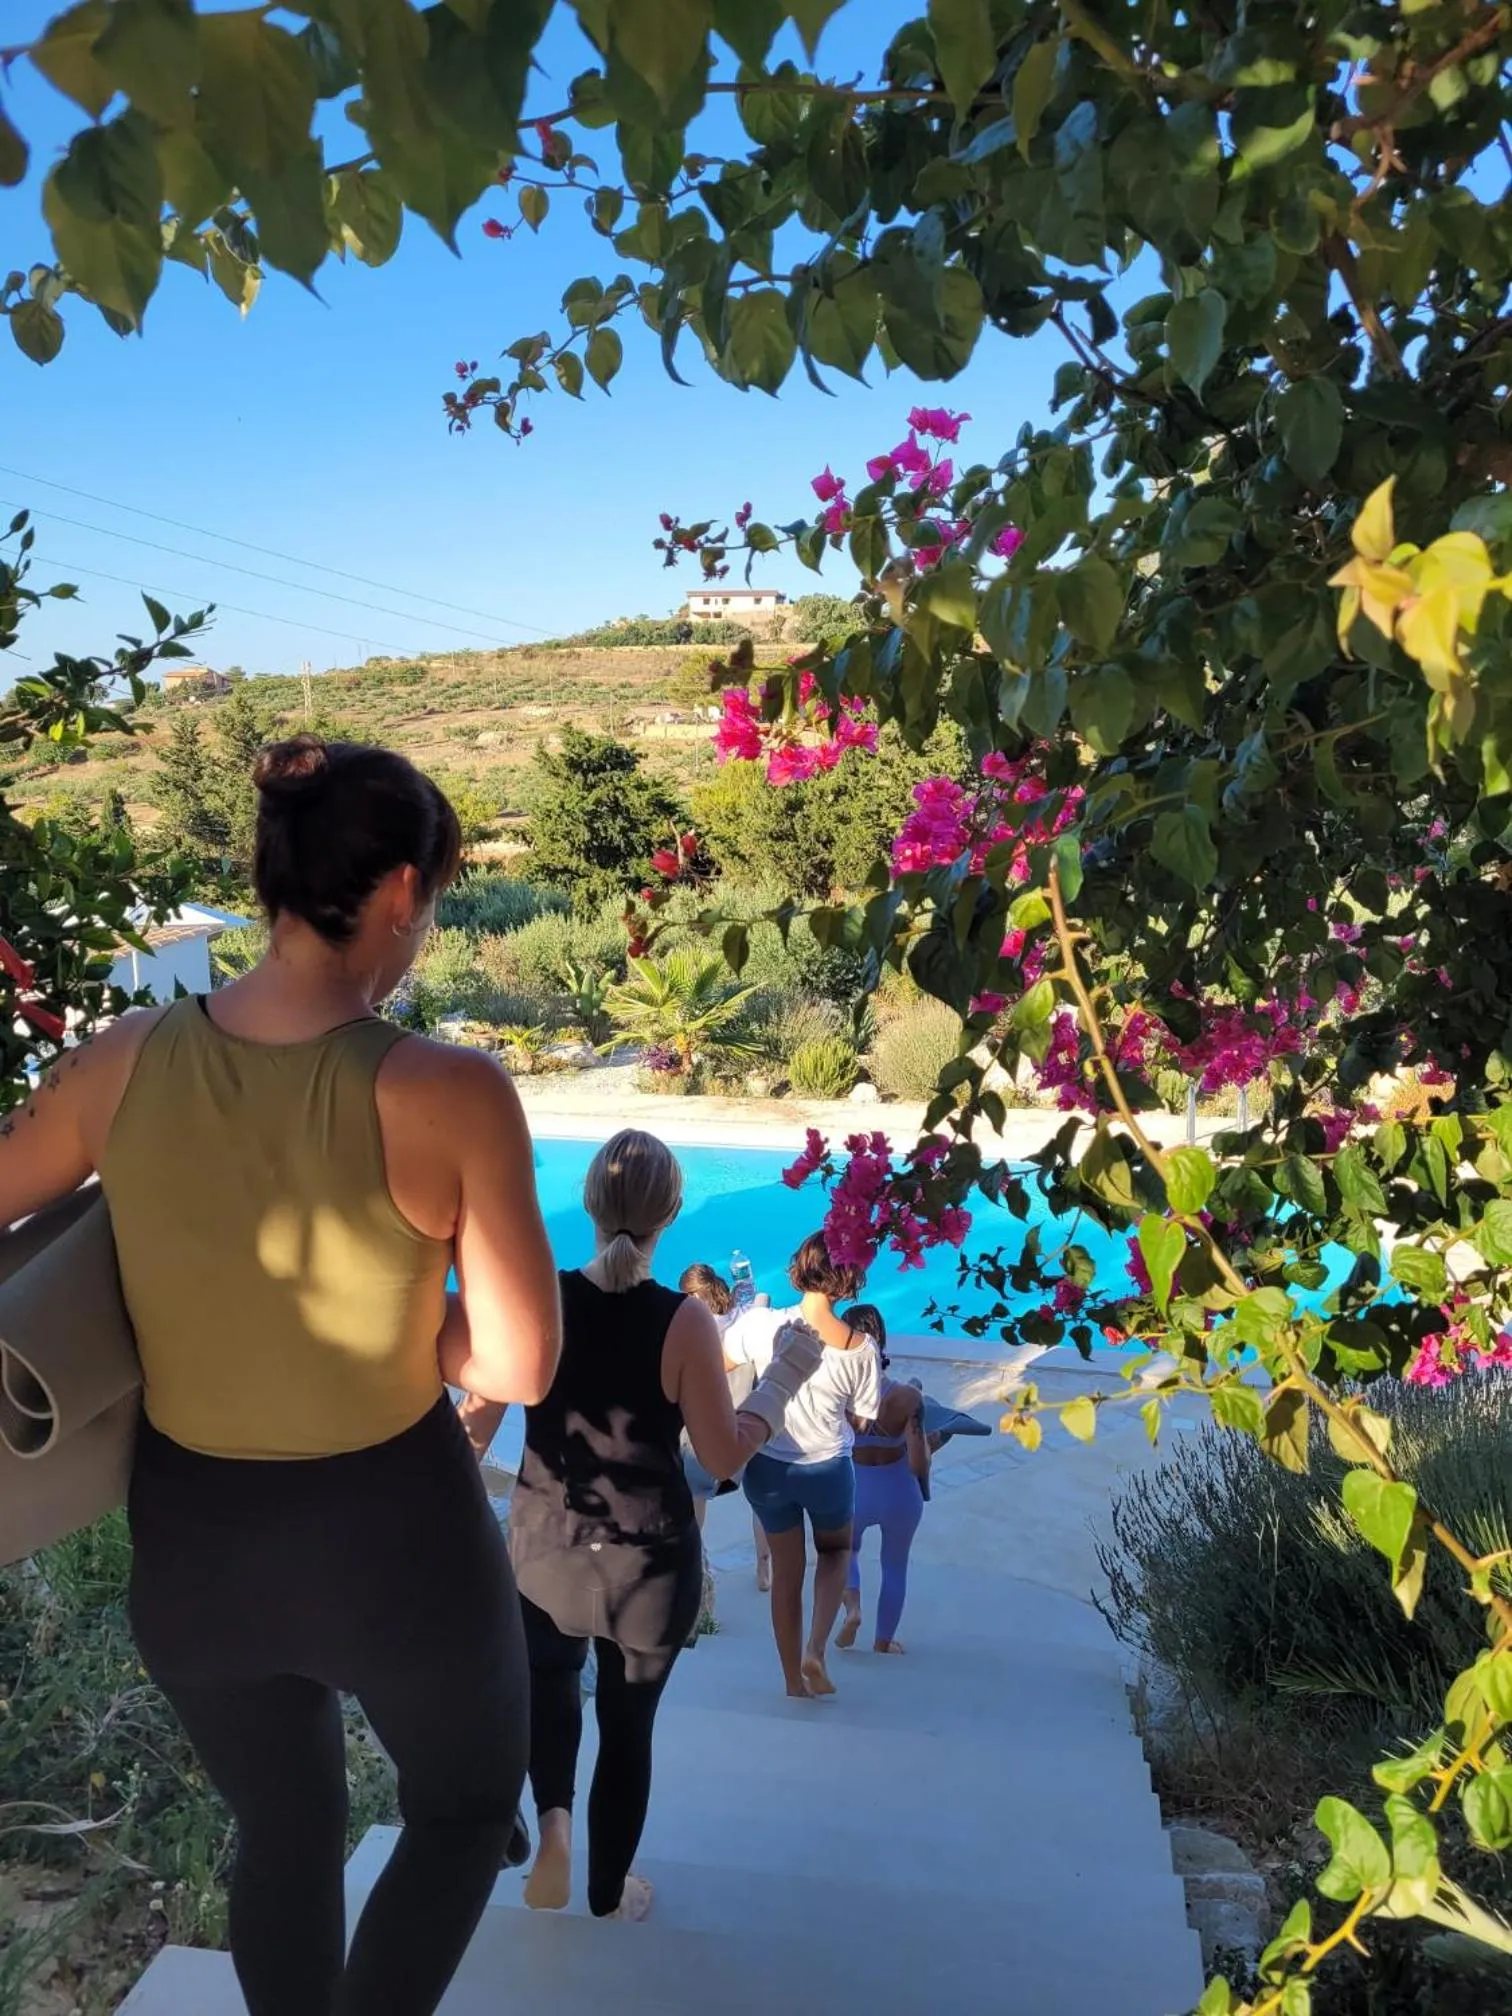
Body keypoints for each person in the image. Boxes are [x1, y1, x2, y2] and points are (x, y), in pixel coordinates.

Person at [0, 735, 562, 2016]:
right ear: (402, 892)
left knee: (286, 1825)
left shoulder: (118, 1060)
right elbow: (521, 1361)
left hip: (197, 1546)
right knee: (465, 1806)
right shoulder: (451, 1090)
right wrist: (412, 1321)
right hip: (392, 1535)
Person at [459, 1131, 821, 1923]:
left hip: (545, 1551)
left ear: (588, 1203)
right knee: (627, 1729)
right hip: (648, 1564)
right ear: (672, 1213)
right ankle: (607, 1892)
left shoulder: (541, 1301)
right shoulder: (684, 1322)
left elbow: (470, 1436)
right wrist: (783, 1380)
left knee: (550, 1687)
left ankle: (554, 1826)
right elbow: (721, 1458)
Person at [741, 1234, 882, 1700]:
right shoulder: (860, 1347)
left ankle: (791, 1682)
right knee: (835, 1553)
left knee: (787, 1571)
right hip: (826, 1469)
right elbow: (862, 1418)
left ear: (800, 1267)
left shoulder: (761, 1324)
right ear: (849, 1277)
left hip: (767, 1466)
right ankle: (815, 1650)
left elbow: (721, 1365)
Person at [836, 1304, 931, 1656]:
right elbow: (918, 1462)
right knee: (895, 1565)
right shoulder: (909, 1397)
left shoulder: (837, 1393)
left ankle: (853, 1610)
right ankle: (883, 1642)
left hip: (855, 1488)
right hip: (898, 1491)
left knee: (845, 1551)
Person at [680, 1261, 772, 1592]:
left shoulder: (692, 1330)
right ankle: (764, 1566)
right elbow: (763, 1301)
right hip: (748, 1417)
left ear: (693, 1295)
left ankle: (694, 1563)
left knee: (695, 1496)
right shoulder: (745, 1316)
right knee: (761, 1500)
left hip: (706, 1422)